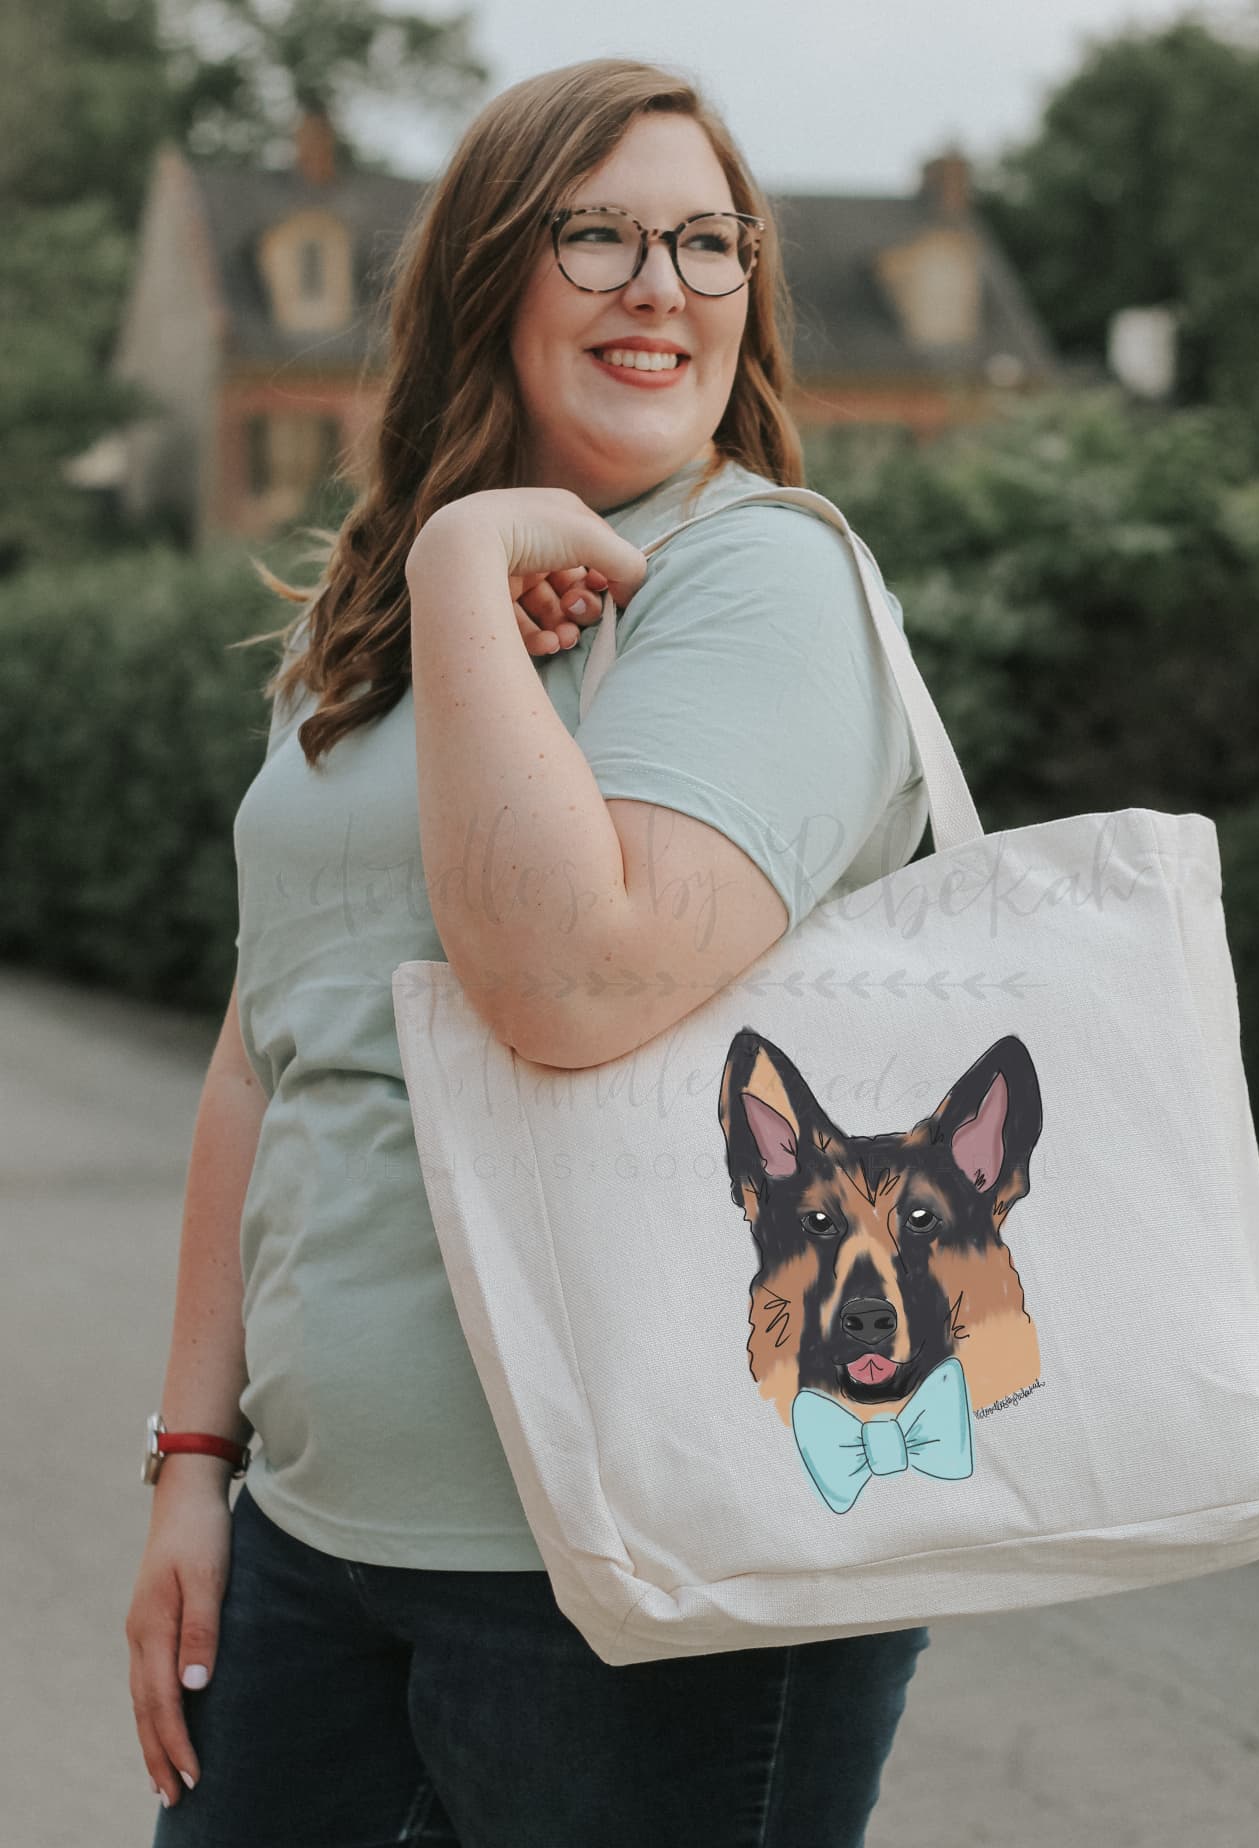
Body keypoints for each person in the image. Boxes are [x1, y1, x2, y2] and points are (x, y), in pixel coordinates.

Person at [125, 57, 930, 1847]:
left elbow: (572, 981)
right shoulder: (376, 616)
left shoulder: (761, 581)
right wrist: (196, 1470)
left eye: (710, 242)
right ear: (491, 271)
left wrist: (469, 553)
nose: (663, 285)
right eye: (600, 231)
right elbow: (272, 1047)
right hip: (319, 1547)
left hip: (638, 1570)